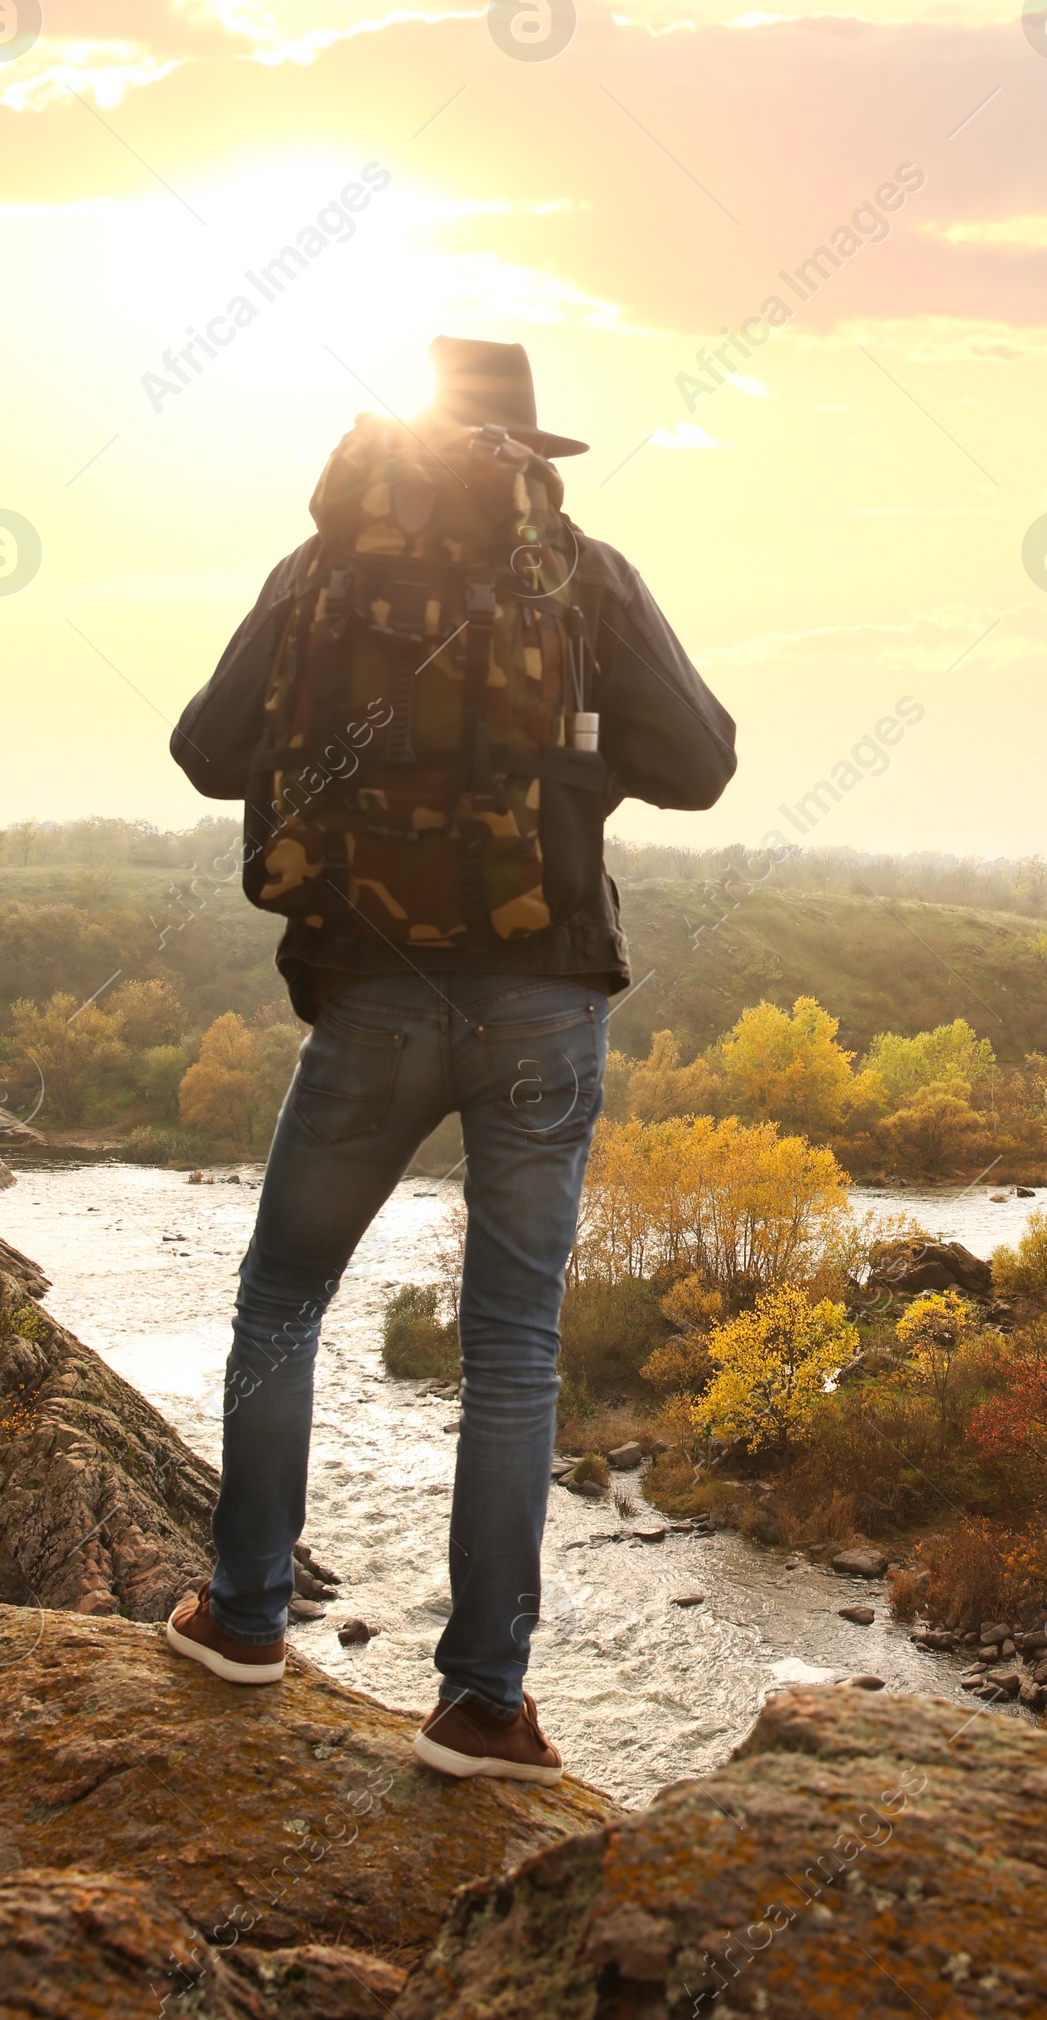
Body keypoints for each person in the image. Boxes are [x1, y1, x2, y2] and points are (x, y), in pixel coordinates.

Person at [162, 336, 735, 1783]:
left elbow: (206, 750)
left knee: (284, 1300)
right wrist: (565, 744)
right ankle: (482, 1705)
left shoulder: (321, 573)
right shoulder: (584, 577)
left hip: (369, 995)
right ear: (536, 458)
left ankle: (239, 1622)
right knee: (512, 1351)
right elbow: (703, 764)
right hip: (544, 1002)